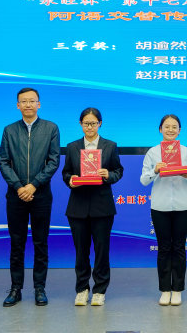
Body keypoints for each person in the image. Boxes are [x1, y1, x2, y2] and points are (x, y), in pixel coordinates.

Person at [0, 88, 60, 307]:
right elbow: (3, 161)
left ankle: (39, 288)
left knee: (40, 242)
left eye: (32, 101)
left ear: (38, 104)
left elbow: (54, 161)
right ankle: (16, 288)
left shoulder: (51, 128)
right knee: (17, 243)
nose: (28, 105)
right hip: (16, 196)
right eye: (23, 101)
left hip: (41, 195)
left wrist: (33, 185)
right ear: (18, 105)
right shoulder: (9, 130)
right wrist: (19, 187)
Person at [62, 107, 124, 307]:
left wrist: (108, 175)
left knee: (101, 250)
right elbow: (66, 173)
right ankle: (82, 289)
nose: (89, 127)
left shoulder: (110, 146)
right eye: (86, 123)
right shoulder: (72, 147)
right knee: (81, 251)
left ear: (100, 124)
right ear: (80, 124)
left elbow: (118, 170)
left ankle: (99, 290)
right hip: (77, 206)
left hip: (102, 206)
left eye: (93, 123)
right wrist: (71, 180)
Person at [140, 114, 187, 306]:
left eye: (174, 127)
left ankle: (178, 290)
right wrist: (155, 171)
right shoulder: (152, 153)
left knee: (179, 248)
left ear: (179, 130)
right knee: (164, 248)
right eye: (167, 126)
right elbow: (143, 180)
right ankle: (165, 289)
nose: (170, 130)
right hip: (160, 206)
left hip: (182, 206)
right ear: (160, 129)